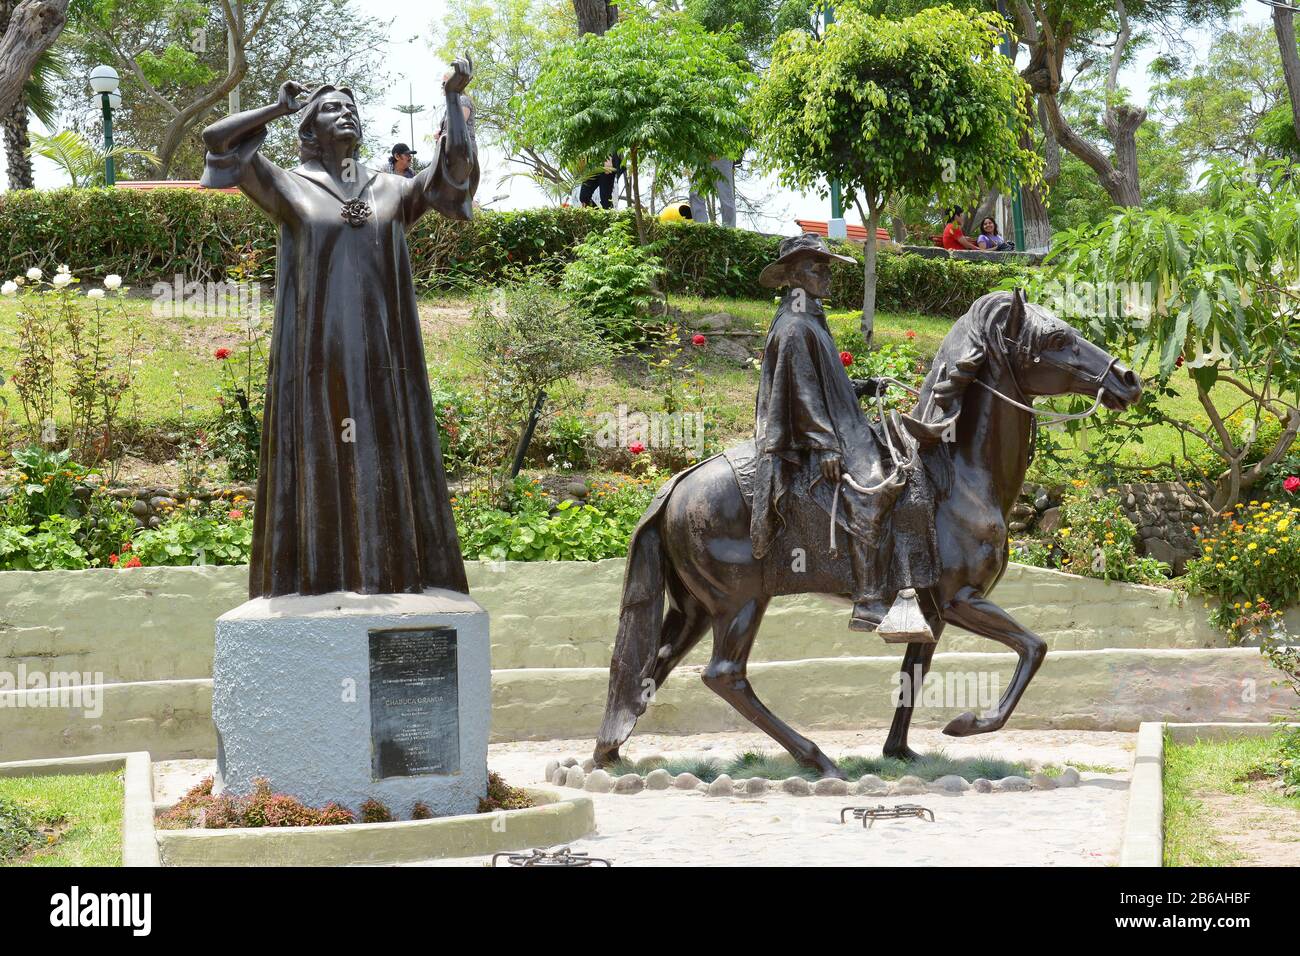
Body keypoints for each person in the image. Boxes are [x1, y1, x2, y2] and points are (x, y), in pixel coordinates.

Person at [199, 62, 479, 599]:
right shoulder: (287, 186)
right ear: (308, 132)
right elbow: (216, 141)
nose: (345, 112)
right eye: (330, 108)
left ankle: (392, 579)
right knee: (324, 453)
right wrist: (279, 108)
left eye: (350, 107)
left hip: (384, 358)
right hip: (316, 359)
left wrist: (451, 101)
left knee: (384, 453)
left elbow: (454, 174)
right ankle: (320, 579)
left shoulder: (392, 191)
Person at [752, 233, 912, 633]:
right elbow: (802, 393)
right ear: (792, 275)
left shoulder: (810, 319)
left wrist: (859, 387)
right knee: (873, 490)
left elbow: (821, 381)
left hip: (842, 425)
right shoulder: (793, 326)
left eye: (826, 267)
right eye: (815, 267)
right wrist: (824, 445)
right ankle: (869, 600)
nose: (825, 274)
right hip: (813, 436)